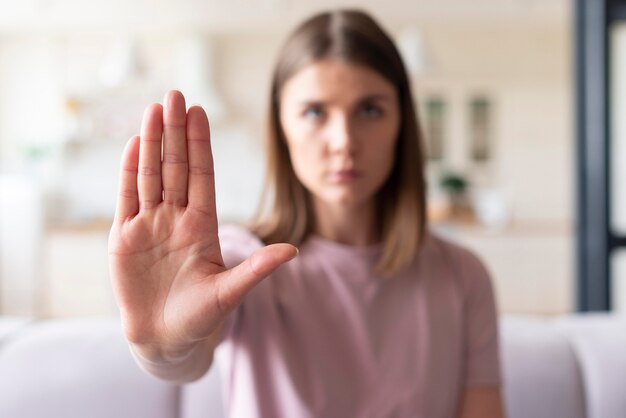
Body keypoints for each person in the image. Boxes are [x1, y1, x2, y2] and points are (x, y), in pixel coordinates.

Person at [108, 9, 505, 418]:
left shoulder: (462, 277)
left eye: (370, 110)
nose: (344, 141)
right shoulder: (239, 264)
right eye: (315, 112)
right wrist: (160, 345)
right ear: (282, 127)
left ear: (401, 123)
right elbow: (186, 356)